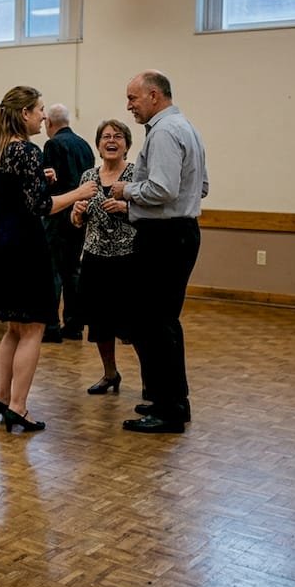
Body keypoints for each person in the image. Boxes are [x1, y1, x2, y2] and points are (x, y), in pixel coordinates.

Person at [0, 87, 97, 433]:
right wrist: (78, 192)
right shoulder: (28, 151)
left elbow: (13, 194)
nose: (43, 116)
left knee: (14, 328)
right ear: (24, 113)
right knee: (34, 328)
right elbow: (41, 207)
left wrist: (39, 181)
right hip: (24, 247)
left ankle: (1, 397)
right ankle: (18, 406)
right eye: (39, 110)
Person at [112, 70, 208, 434]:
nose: (129, 106)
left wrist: (127, 192)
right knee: (158, 320)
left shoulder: (165, 132)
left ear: (154, 96)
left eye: (133, 98)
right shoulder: (187, 127)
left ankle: (169, 410)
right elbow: (202, 186)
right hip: (178, 232)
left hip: (164, 237)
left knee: (155, 322)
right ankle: (166, 397)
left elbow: (162, 189)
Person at [70, 119, 137, 396]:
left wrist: (125, 208)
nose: (111, 141)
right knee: (100, 324)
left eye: (118, 136)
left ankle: (150, 382)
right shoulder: (88, 177)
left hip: (128, 259)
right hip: (95, 259)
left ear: (127, 145)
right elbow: (77, 221)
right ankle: (110, 374)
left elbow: (151, 216)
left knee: (135, 325)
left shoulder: (135, 175)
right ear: (98, 145)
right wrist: (76, 213)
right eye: (106, 137)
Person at [42, 104, 95, 342]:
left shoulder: (52, 145)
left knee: (52, 271)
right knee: (73, 271)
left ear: (50, 124)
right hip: (80, 215)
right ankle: (74, 326)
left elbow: (49, 183)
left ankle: (51, 326)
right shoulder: (84, 145)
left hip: (58, 214)